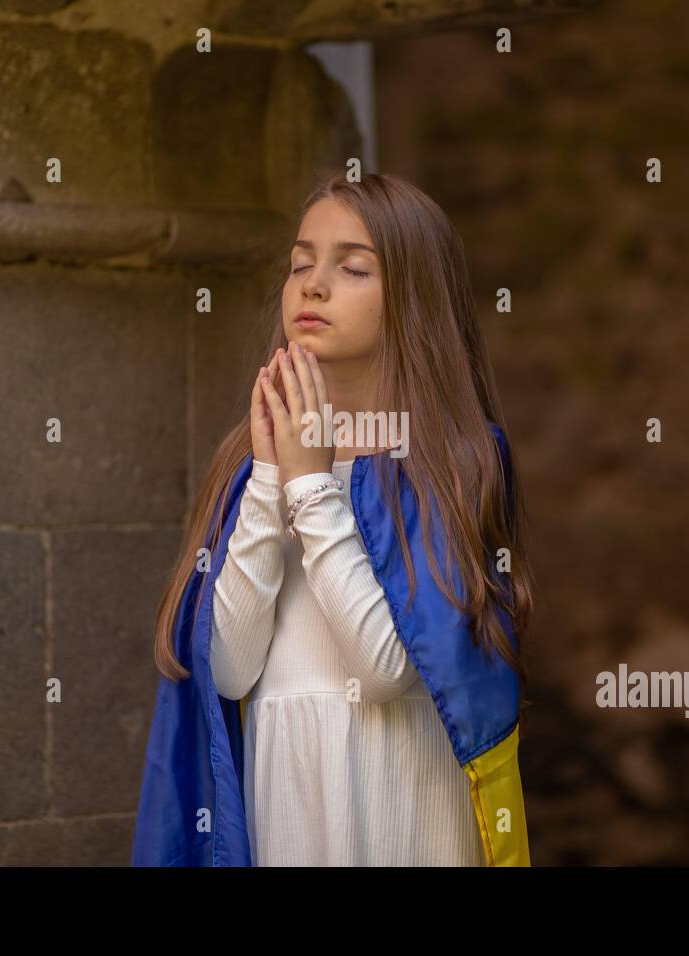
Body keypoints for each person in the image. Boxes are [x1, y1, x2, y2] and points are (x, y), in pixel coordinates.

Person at [131, 171, 533, 866]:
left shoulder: (451, 459)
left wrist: (312, 485)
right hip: (286, 804)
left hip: (400, 808)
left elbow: (381, 671)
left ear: (413, 300)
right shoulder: (246, 465)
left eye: (352, 268)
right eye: (300, 264)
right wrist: (268, 476)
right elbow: (225, 669)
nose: (312, 284)